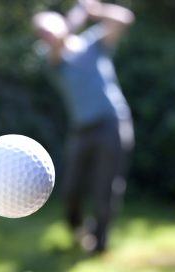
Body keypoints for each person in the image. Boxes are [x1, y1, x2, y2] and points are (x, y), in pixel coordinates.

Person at [32, 0, 135, 253]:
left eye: (48, 28)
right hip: (82, 130)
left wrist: (96, 10)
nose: (46, 35)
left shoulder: (92, 44)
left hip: (112, 124)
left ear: (60, 22)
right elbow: (59, 40)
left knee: (105, 189)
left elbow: (125, 18)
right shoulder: (52, 59)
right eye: (41, 33)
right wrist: (79, 12)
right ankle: (78, 231)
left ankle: (100, 243)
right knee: (71, 190)